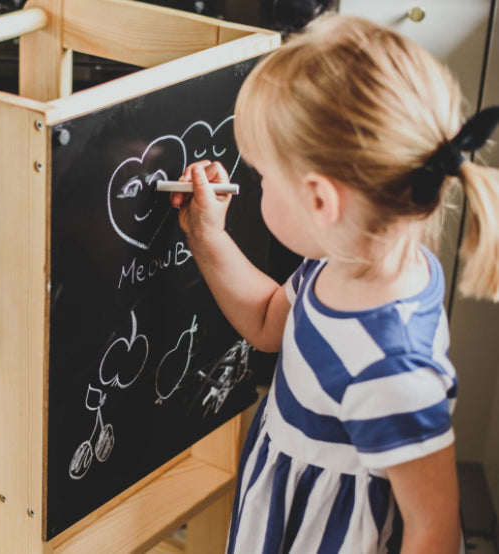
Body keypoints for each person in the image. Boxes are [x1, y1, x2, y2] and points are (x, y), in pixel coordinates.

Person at [170, 14, 499, 554]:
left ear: (321, 201)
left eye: (263, 177)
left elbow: (434, 529)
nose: (255, 186)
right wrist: (208, 239)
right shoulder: (344, 262)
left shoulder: (392, 368)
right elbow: (269, 323)